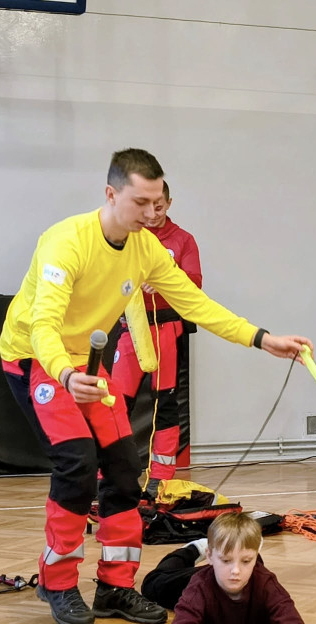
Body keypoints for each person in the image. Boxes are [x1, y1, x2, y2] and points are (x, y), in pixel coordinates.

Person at [0, 148, 314, 624]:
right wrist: (64, 375)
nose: (152, 213)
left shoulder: (145, 249)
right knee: (77, 467)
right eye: (141, 202)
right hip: (37, 360)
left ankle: (114, 587)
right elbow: (43, 324)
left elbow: (195, 303)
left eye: (157, 202)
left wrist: (262, 338)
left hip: (83, 361)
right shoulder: (66, 241)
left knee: (125, 471)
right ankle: (57, 583)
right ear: (111, 194)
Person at [112, 180, 201, 499]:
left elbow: (194, 284)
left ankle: (160, 479)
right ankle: (109, 473)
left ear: (169, 203)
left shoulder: (182, 240)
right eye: (146, 206)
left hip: (167, 329)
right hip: (131, 330)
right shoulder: (129, 235)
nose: (152, 213)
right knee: (114, 403)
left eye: (159, 206)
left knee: (165, 406)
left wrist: (165, 280)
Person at [162, 513, 311, 624]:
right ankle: (191, 549)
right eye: (226, 560)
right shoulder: (198, 586)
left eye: (246, 561)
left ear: (255, 557)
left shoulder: (266, 582)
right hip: (177, 581)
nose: (236, 571)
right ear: (210, 556)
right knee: (155, 581)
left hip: (223, 573)